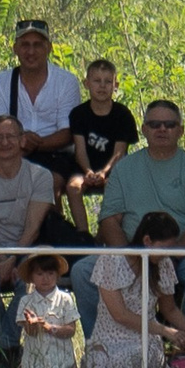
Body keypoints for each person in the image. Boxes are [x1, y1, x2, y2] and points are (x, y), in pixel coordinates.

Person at [0, 112, 60, 368]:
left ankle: (5, 349)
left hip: (28, 248)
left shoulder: (40, 176)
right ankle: (9, 348)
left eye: (10, 136)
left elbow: (33, 227)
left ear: (22, 140)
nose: (4, 142)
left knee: (30, 282)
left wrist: (15, 260)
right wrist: (3, 260)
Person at [97, 102, 185, 249]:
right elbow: (109, 220)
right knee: (83, 264)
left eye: (170, 125)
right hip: (132, 251)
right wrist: (128, 257)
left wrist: (172, 255)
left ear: (181, 131)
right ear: (144, 130)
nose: (162, 129)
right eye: (154, 124)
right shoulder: (122, 168)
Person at [85, 214, 185, 368]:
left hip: (146, 341)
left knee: (122, 361)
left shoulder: (164, 264)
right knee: (101, 365)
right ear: (147, 241)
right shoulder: (111, 261)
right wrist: (166, 331)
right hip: (106, 339)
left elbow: (170, 310)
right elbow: (120, 315)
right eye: (164, 248)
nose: (167, 254)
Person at [0, 20, 83, 188]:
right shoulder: (0, 83)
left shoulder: (66, 82)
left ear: (49, 48)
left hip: (57, 154)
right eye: (25, 45)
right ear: (15, 48)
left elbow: (67, 134)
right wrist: (20, 143)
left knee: (49, 183)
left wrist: (31, 143)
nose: (31, 51)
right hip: (14, 154)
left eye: (37, 45)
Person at [65, 57, 136, 239]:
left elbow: (119, 152)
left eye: (108, 82)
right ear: (87, 84)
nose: (102, 86)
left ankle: (102, 236)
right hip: (84, 168)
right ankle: (83, 235)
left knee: (116, 188)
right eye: (97, 81)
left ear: (115, 85)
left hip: (114, 170)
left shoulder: (123, 115)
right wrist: (88, 171)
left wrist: (104, 173)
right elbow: (79, 150)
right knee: (73, 187)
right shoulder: (78, 114)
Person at [17, 253, 81, 368]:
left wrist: (49, 327)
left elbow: (71, 330)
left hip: (61, 362)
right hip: (34, 364)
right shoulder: (25, 301)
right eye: (39, 274)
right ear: (31, 277)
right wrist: (33, 325)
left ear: (57, 275)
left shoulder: (65, 299)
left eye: (50, 273)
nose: (45, 278)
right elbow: (30, 332)